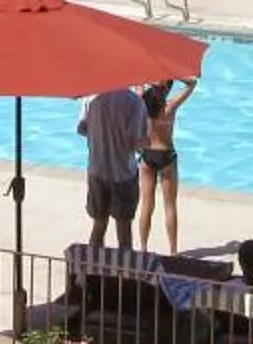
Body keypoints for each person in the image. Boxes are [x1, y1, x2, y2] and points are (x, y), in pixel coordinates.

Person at [77, 81, 149, 248]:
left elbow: (82, 128)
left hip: (97, 170)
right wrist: (147, 142)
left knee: (98, 226)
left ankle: (92, 269)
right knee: (124, 231)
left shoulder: (91, 97)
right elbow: (135, 143)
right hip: (123, 173)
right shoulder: (135, 102)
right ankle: (123, 273)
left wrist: (100, 134)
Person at [138, 75, 198, 253]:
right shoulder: (170, 106)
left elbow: (136, 80)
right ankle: (173, 251)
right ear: (167, 89)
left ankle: (143, 248)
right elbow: (192, 83)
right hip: (166, 155)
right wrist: (174, 73)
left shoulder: (142, 103)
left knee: (146, 204)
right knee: (170, 205)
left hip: (148, 155)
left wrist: (149, 74)